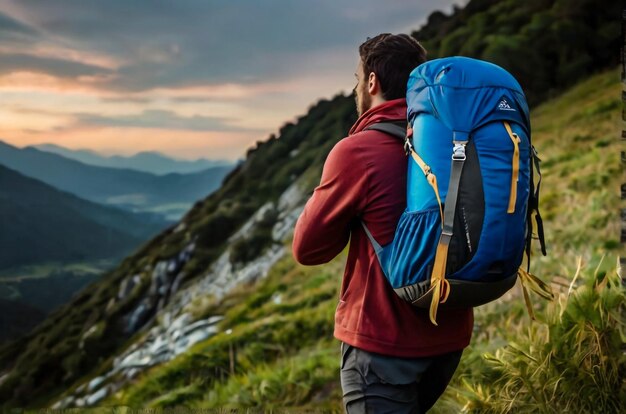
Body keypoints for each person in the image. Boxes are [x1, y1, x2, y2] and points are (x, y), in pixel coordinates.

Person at [292, 33, 474, 413]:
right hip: (449, 333)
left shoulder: (357, 150)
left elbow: (307, 250)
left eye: (358, 79)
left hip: (383, 346)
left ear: (372, 82)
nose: (357, 88)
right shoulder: (450, 140)